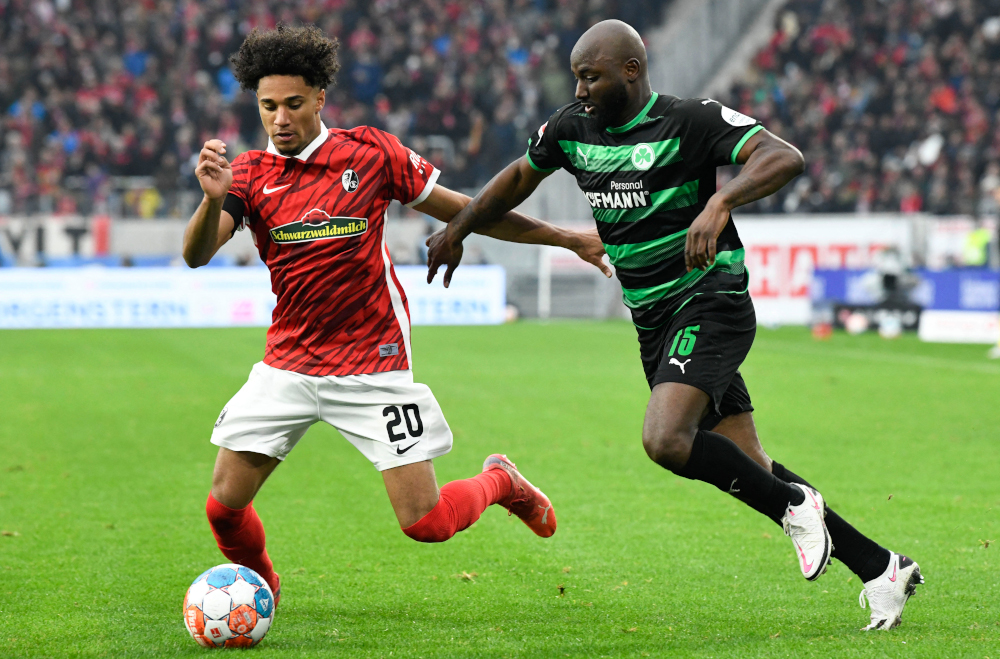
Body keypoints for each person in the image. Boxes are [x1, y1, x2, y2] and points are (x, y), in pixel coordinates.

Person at [426, 20, 923, 631]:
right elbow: (516, 179)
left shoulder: (691, 121)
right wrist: (461, 225)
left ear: (630, 70)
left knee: (665, 440)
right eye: (577, 76)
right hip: (653, 317)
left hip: (710, 301)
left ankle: (797, 507)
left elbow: (784, 156)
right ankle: (882, 568)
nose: (581, 89)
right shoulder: (570, 130)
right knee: (750, 465)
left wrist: (720, 201)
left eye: (592, 76)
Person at [183, 24, 611, 607]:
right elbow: (196, 253)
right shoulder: (251, 175)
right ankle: (264, 591)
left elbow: (471, 210)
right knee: (223, 508)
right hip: (289, 365)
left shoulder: (371, 154)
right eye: (267, 107)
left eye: (292, 104)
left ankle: (501, 481)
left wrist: (566, 239)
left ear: (319, 99)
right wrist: (212, 200)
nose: (280, 119)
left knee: (425, 522)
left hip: (373, 364)